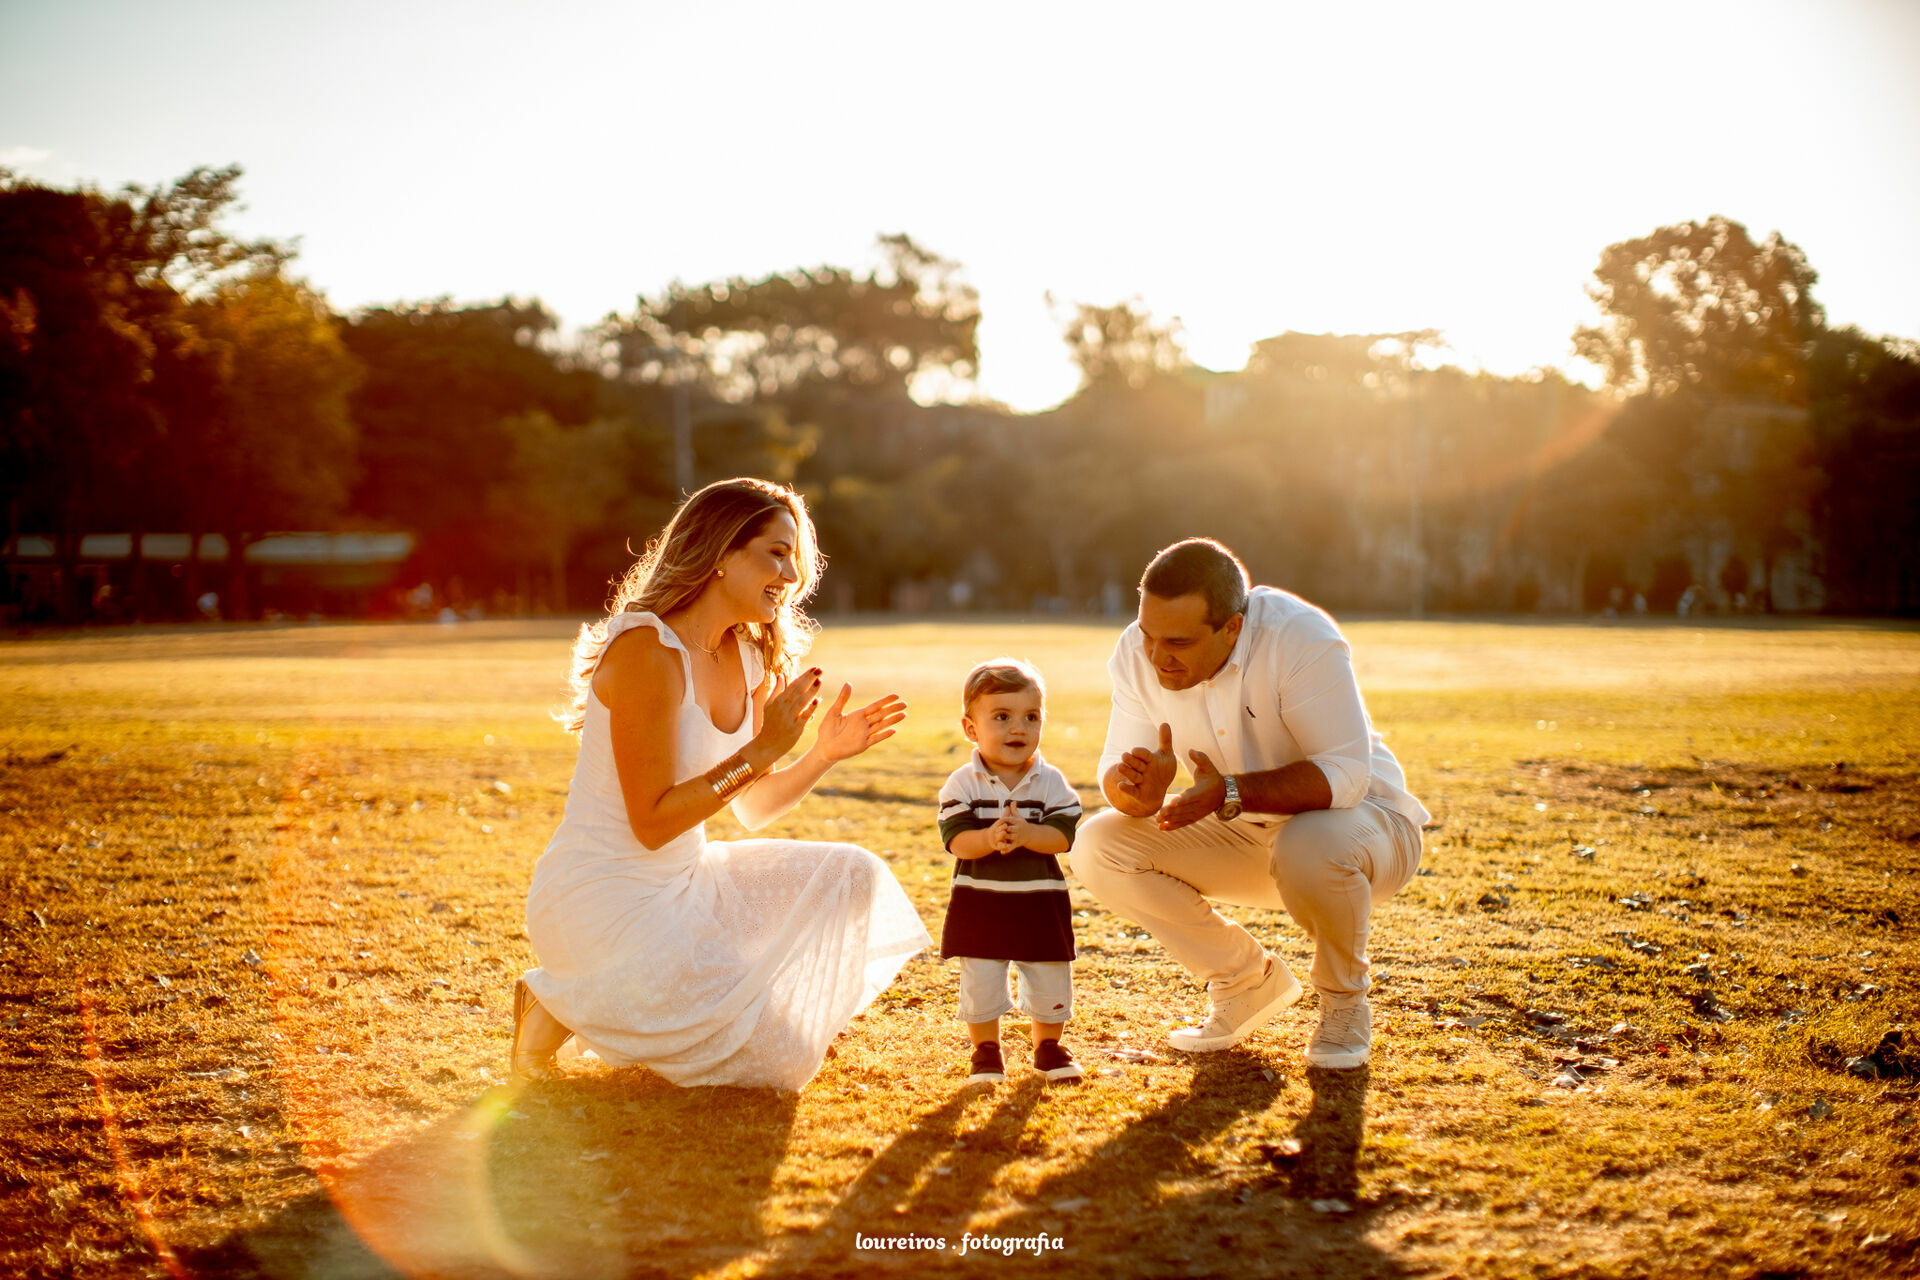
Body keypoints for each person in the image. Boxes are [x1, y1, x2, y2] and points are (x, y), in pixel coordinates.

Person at [513, 478, 932, 1090]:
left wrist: (821, 755)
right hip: (600, 899)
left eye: (795, 557)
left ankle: (599, 1003)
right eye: (776, 553)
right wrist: (763, 748)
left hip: (690, 882)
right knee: (777, 1061)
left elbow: (754, 806)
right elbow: (652, 823)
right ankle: (557, 1001)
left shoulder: (748, 657)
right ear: (719, 555)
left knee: (854, 874)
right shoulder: (645, 651)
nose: (792, 575)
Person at [1071, 539, 1428, 1069]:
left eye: (1178, 641)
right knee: (1098, 843)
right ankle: (1245, 983)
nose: (1156, 656)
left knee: (1310, 842)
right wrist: (1135, 793)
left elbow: (1346, 776)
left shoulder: (1297, 635)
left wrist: (1230, 790)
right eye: (1147, 634)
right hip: (1246, 833)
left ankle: (1344, 1003)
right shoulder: (1137, 651)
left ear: (1232, 628)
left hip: (1366, 832)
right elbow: (1116, 767)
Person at [935, 660, 1084, 1085]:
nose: (1018, 728)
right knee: (981, 975)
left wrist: (1028, 833)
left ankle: (1048, 1046)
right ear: (970, 728)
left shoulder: (1049, 781)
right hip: (979, 904)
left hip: (1040, 902)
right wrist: (988, 840)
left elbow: (1065, 833)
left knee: (1049, 971)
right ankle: (986, 1049)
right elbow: (956, 840)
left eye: (1030, 717)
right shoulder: (963, 784)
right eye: (1002, 717)